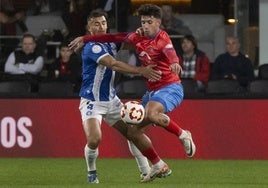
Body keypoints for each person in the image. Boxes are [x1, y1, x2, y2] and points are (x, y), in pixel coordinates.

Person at [69, 4, 196, 183]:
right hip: (92, 101)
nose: (101, 27)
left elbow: (164, 49)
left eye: (103, 23)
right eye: (96, 24)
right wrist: (141, 70)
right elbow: (114, 64)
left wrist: (143, 34)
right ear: (89, 27)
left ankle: (151, 168)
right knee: (95, 139)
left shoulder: (117, 42)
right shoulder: (93, 47)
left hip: (113, 100)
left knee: (132, 131)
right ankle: (92, 172)